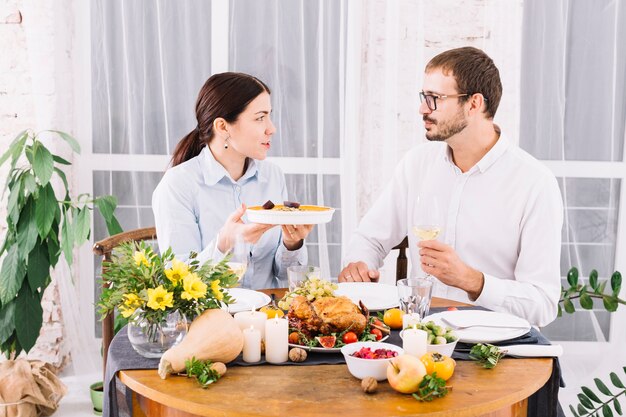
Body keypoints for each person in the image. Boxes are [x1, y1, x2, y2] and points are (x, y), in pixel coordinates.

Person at [339, 47, 563, 327]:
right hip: (420, 341)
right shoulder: (417, 164)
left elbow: (542, 304)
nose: (423, 108)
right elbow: (369, 239)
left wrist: (472, 281)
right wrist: (359, 265)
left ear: (474, 103)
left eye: (435, 99)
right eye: (424, 97)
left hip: (494, 353)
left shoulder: (534, 183)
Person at [152, 72, 313, 290]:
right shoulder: (178, 185)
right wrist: (224, 242)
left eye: (269, 116)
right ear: (222, 127)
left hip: (267, 316)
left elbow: (284, 277)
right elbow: (178, 284)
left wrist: (292, 243)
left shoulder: (272, 176)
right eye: (260, 118)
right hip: (210, 319)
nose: (271, 128)